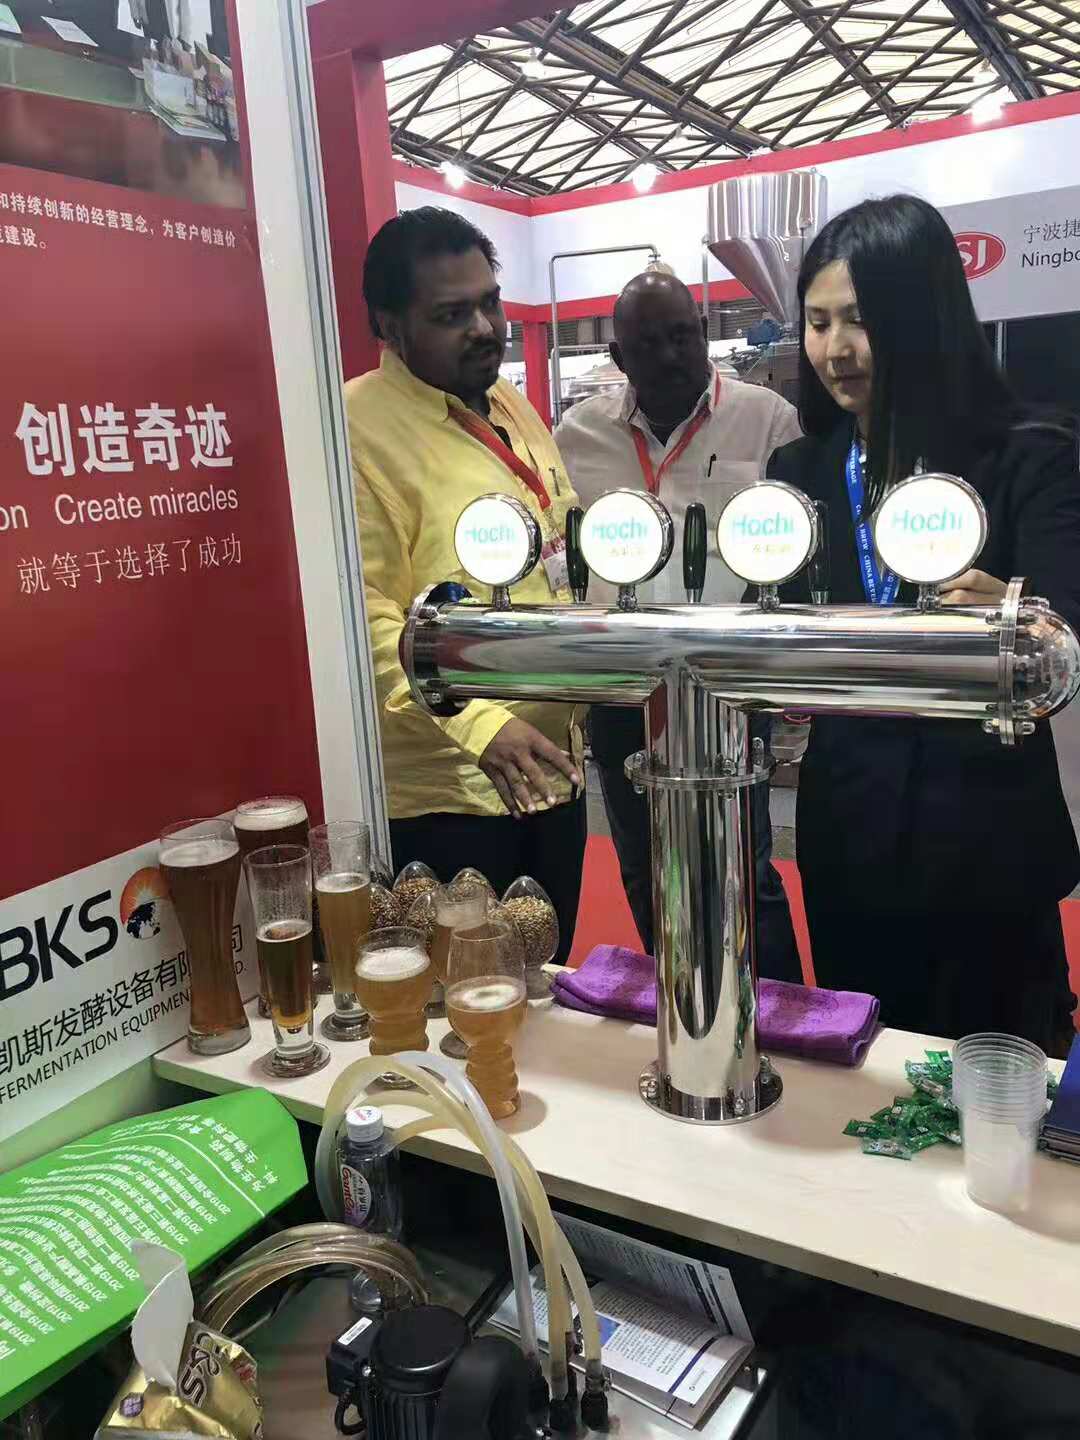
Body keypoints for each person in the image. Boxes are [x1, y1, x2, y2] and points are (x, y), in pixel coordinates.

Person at [772, 192, 1080, 1052]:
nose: (836, 349)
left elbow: (1066, 630)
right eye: (819, 323)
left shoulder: (1029, 453)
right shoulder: (800, 470)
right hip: (849, 833)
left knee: (1002, 1076)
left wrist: (1018, 613)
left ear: (924, 316)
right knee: (864, 1067)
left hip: (987, 839)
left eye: (861, 320)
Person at [347, 207, 586, 961]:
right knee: (467, 1002)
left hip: (554, 770)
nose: (484, 329)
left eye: (490, 303)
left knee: (546, 987)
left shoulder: (505, 400)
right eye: (452, 315)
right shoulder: (356, 428)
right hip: (452, 795)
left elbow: (556, 546)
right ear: (389, 326)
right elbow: (363, 620)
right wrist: (483, 727)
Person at [556, 270, 803, 980]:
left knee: (744, 867)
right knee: (644, 865)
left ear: (702, 334)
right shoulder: (577, 436)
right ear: (618, 355)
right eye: (647, 343)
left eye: (681, 336)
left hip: (727, 688)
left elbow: (798, 548)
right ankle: (674, 996)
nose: (669, 356)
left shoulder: (767, 420)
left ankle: (774, 1009)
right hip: (622, 688)